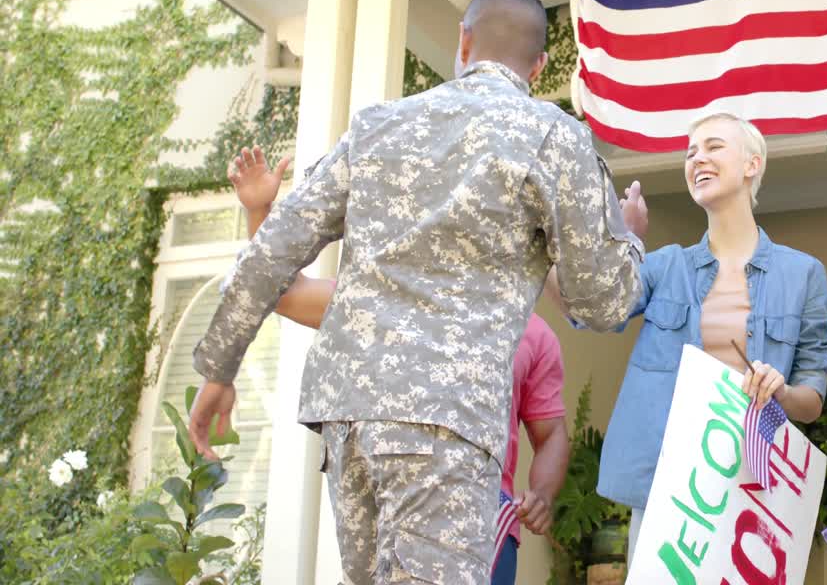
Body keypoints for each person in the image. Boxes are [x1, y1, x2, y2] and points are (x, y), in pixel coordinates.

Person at [188, 0, 645, 585]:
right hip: (444, 420)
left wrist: (219, 369)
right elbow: (604, 300)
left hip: (348, 415)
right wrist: (629, 238)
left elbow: (271, 253)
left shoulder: (379, 125)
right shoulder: (552, 136)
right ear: (538, 66)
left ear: (463, 42)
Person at [226, 146, 570, 585]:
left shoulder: (532, 333)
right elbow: (284, 292)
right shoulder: (383, 299)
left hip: (480, 528)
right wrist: (260, 210)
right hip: (387, 522)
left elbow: (551, 432)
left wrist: (540, 493)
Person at [546, 111, 827, 563]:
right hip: (668, 489)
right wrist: (576, 241)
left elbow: (813, 395)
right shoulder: (666, 267)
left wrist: (781, 391)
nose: (698, 157)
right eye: (691, 152)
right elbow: (590, 310)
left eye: (714, 146)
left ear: (752, 164)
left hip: (751, 492)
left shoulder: (803, 275)